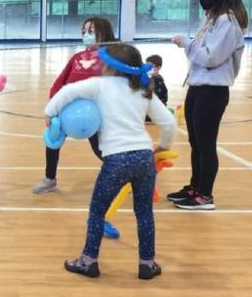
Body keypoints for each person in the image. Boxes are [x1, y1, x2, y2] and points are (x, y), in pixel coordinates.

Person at [44, 42, 176, 280]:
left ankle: (88, 261)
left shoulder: (101, 85)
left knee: (97, 211)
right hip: (144, 158)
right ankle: (147, 264)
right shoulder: (144, 89)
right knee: (144, 212)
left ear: (111, 67)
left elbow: (66, 92)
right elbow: (168, 123)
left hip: (116, 159)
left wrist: (49, 113)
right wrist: (163, 146)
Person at [168, 0, 247, 211]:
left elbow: (211, 57)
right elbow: (202, 47)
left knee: (206, 143)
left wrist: (186, 43)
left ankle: (205, 195)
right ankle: (195, 186)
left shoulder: (228, 23)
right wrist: (190, 43)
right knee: (195, 142)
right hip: (198, 87)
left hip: (213, 92)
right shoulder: (212, 18)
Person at [32, 17, 113, 194]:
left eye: (91, 32)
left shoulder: (111, 59)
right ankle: (49, 179)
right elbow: (60, 82)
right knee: (53, 141)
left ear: (103, 33)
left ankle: (122, 174)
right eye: (84, 32)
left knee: (100, 148)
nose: (86, 35)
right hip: (67, 111)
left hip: (95, 115)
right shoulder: (78, 57)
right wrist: (52, 109)